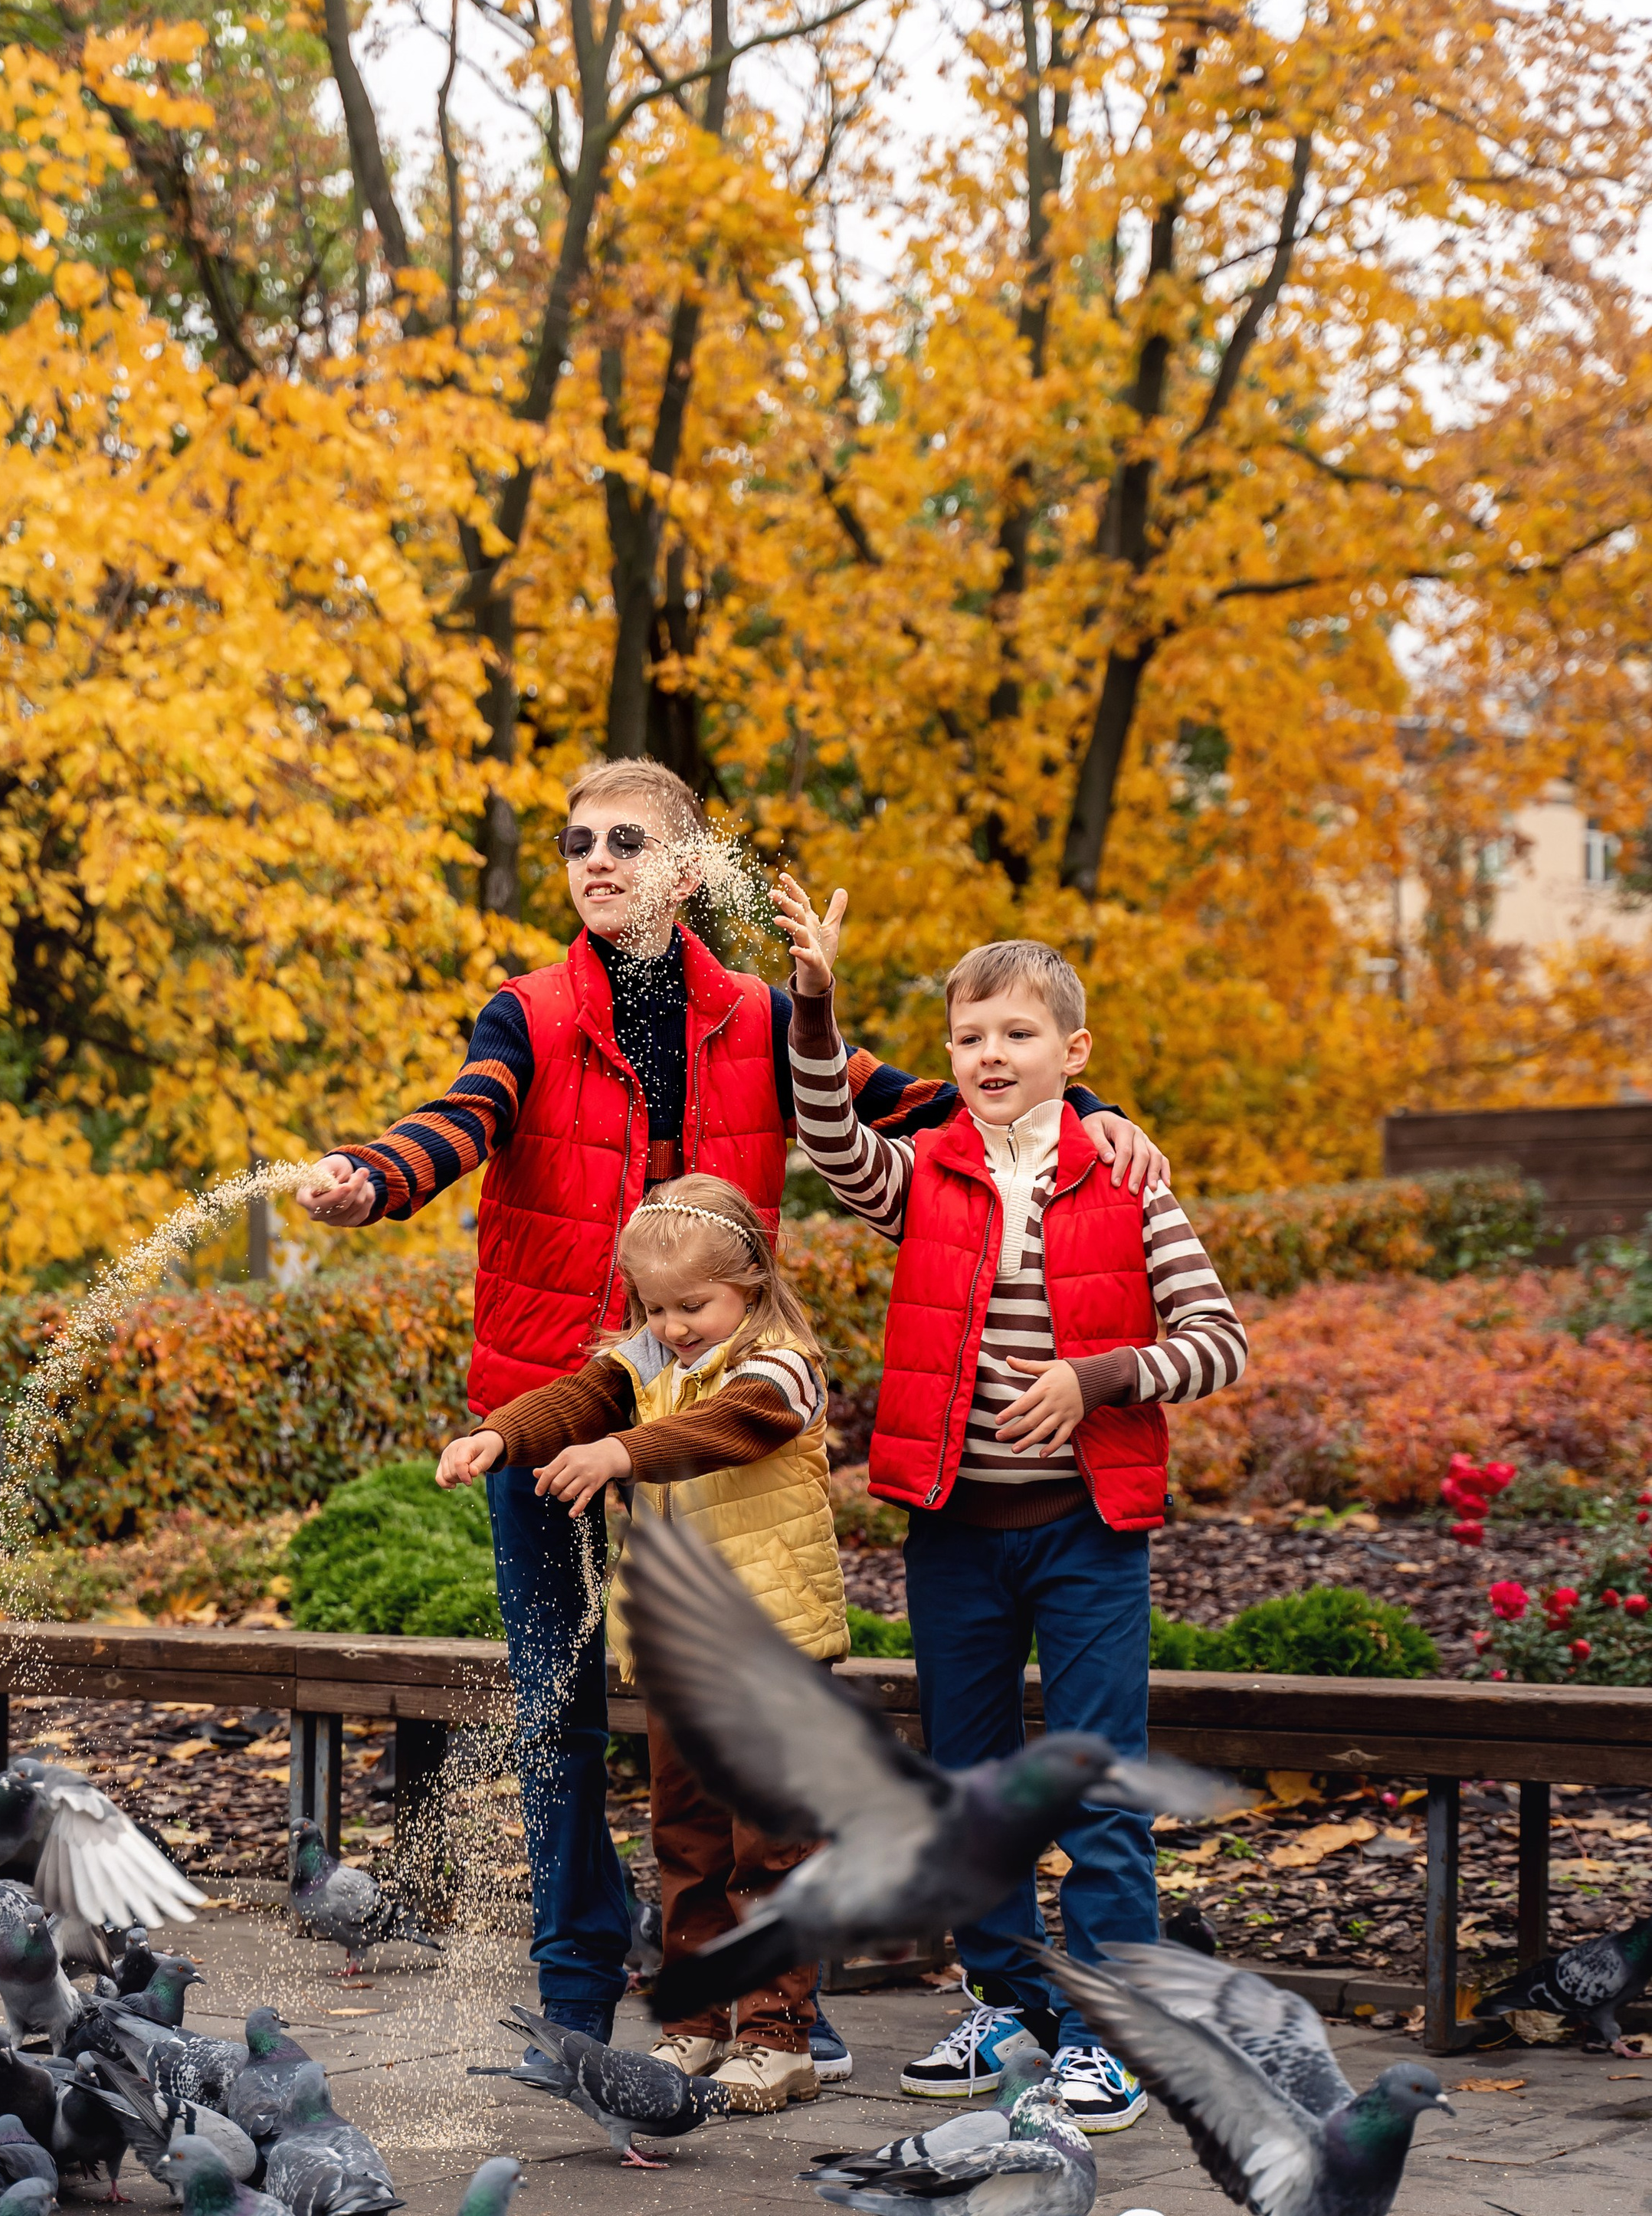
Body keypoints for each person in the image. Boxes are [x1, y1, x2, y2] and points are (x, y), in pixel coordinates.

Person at [298, 755, 1169, 2049]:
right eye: (580, 842)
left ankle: (770, 2005)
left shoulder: (760, 1018)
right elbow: (465, 1116)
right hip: (553, 1398)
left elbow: (940, 1104)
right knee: (558, 1711)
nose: (598, 861)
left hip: (715, 1416)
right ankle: (578, 1993)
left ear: (689, 867)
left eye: (628, 841)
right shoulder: (530, 1012)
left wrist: (1091, 1112)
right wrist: (376, 1178)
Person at [776, 874, 1247, 2131]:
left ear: (1073, 1053)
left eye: (1018, 1033)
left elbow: (1219, 1342)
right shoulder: (924, 1175)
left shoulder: (1129, 1182)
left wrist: (1095, 1379)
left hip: (1088, 1536)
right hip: (955, 1534)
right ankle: (1007, 2004)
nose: (991, 1055)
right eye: (969, 1037)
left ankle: (1107, 2033)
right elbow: (829, 1134)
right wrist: (813, 1006)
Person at [438, 1175, 846, 2109]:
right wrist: (500, 1437)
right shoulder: (648, 1358)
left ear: (751, 1281)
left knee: (769, 1847)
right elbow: (578, 1399)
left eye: (693, 1305)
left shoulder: (782, 1367)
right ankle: (694, 2024)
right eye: (655, 1307)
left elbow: (722, 1429)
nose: (672, 1326)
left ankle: (778, 2037)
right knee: (688, 1842)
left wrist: (621, 1452)